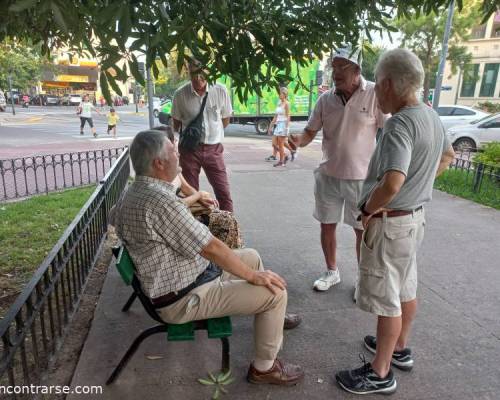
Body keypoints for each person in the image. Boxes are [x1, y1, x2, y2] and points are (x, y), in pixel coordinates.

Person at [110, 130, 304, 386]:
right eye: (173, 152)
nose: (178, 156)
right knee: (275, 293)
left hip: (181, 278)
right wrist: (253, 277)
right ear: (158, 163)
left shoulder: (133, 192)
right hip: (183, 297)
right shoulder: (159, 201)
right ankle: (264, 368)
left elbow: (116, 217)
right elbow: (211, 247)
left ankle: (273, 321)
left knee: (252, 257)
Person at [335, 49, 455, 395]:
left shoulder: (400, 123)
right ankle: (399, 347)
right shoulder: (429, 116)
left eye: (378, 85)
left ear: (387, 84)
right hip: (414, 220)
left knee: (387, 299)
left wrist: (370, 209)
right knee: (405, 287)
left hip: (391, 223)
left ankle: (380, 371)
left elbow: (391, 182)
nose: (376, 94)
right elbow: (447, 156)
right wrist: (421, 184)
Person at [290, 46, 387, 293]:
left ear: (356, 70)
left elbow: (389, 130)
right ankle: (331, 271)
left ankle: (362, 280)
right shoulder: (326, 99)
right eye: (334, 66)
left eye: (343, 67)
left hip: (362, 178)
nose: (336, 72)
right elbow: (310, 131)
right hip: (329, 175)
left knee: (361, 231)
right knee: (327, 225)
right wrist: (297, 141)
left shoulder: (375, 94)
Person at [153, 125, 243, 249]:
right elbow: (173, 206)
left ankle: (230, 256)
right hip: (179, 218)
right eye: (173, 142)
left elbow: (186, 187)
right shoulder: (159, 169)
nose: (176, 146)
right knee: (226, 221)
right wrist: (198, 195)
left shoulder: (172, 164)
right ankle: (229, 259)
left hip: (184, 211)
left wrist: (203, 199)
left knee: (226, 217)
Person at [171, 59, 234, 212]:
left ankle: (229, 230)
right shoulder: (180, 95)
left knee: (223, 193)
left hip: (214, 149)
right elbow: (176, 125)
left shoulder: (220, 90)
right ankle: (195, 231)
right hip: (190, 150)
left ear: (209, 72)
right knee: (191, 194)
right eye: (194, 73)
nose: (198, 78)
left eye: (202, 73)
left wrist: (214, 135)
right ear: (188, 72)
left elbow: (225, 119)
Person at [266, 87, 297, 167]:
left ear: (285, 94)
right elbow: (275, 116)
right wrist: (270, 126)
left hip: (283, 125)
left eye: (281, 93)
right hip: (278, 124)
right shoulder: (279, 103)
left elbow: (288, 116)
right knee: (274, 144)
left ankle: (281, 161)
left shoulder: (287, 104)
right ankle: (285, 156)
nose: (279, 95)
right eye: (279, 93)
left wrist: (287, 128)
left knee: (280, 144)